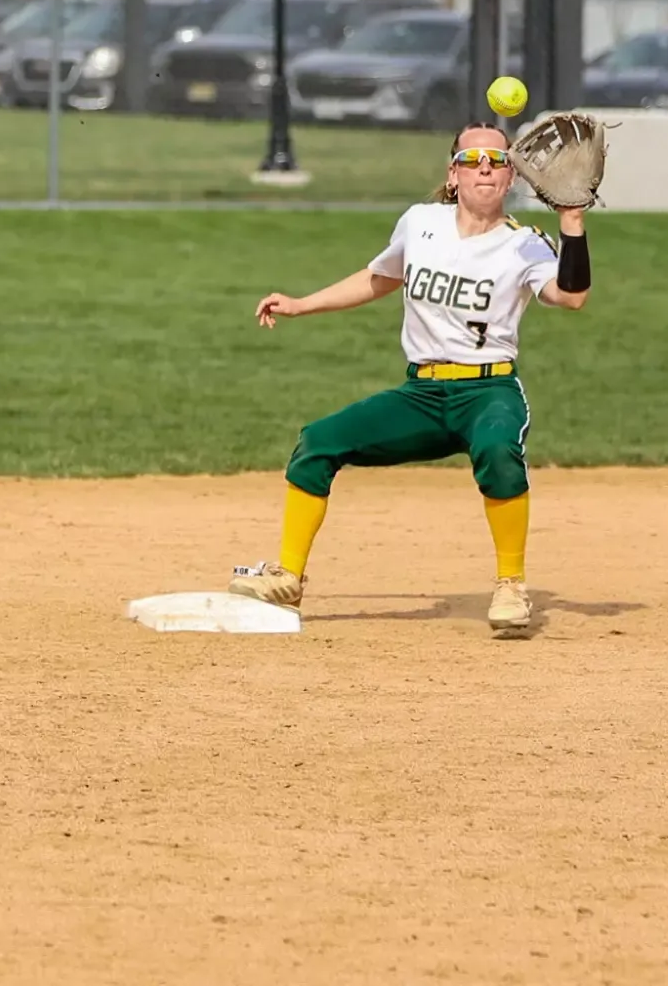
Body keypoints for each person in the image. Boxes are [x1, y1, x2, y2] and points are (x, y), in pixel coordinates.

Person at [227, 123, 594, 637]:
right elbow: (381, 277)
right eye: (472, 159)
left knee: (496, 450)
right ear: (453, 175)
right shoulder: (420, 222)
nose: (484, 166)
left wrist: (573, 223)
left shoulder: (525, 245)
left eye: (496, 158)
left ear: (512, 176)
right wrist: (301, 304)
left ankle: (510, 585)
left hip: (487, 390)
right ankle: (288, 577)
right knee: (319, 441)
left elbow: (570, 295)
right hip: (421, 393)